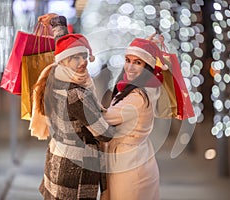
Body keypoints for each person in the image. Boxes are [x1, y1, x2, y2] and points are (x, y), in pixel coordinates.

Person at [30, 14, 114, 200]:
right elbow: (105, 134)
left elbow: (63, 46)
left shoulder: (53, 76)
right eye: (75, 58)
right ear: (64, 61)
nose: (82, 62)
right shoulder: (78, 94)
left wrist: (57, 23)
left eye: (84, 56)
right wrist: (123, 117)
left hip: (57, 159)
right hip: (77, 171)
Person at [102, 37, 167, 200]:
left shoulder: (139, 96)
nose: (130, 67)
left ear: (148, 67)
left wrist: (80, 92)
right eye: (127, 60)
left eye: (138, 62)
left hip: (131, 166)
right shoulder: (140, 89)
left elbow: (104, 117)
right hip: (132, 159)